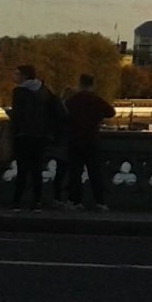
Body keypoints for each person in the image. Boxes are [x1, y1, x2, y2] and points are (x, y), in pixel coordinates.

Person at [7, 64, 64, 211]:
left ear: (24, 76)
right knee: (37, 170)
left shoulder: (19, 91)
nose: (15, 77)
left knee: (22, 170)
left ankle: (17, 202)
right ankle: (37, 202)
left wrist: (10, 115)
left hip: (23, 135)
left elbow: (18, 114)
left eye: (17, 74)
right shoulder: (44, 90)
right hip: (41, 136)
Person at [60, 74, 115, 211]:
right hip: (92, 139)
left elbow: (64, 116)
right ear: (92, 85)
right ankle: (100, 201)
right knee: (95, 172)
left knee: (75, 173)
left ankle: (75, 201)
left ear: (80, 84)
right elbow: (111, 112)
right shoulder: (96, 99)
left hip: (75, 140)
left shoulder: (73, 100)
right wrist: (97, 117)